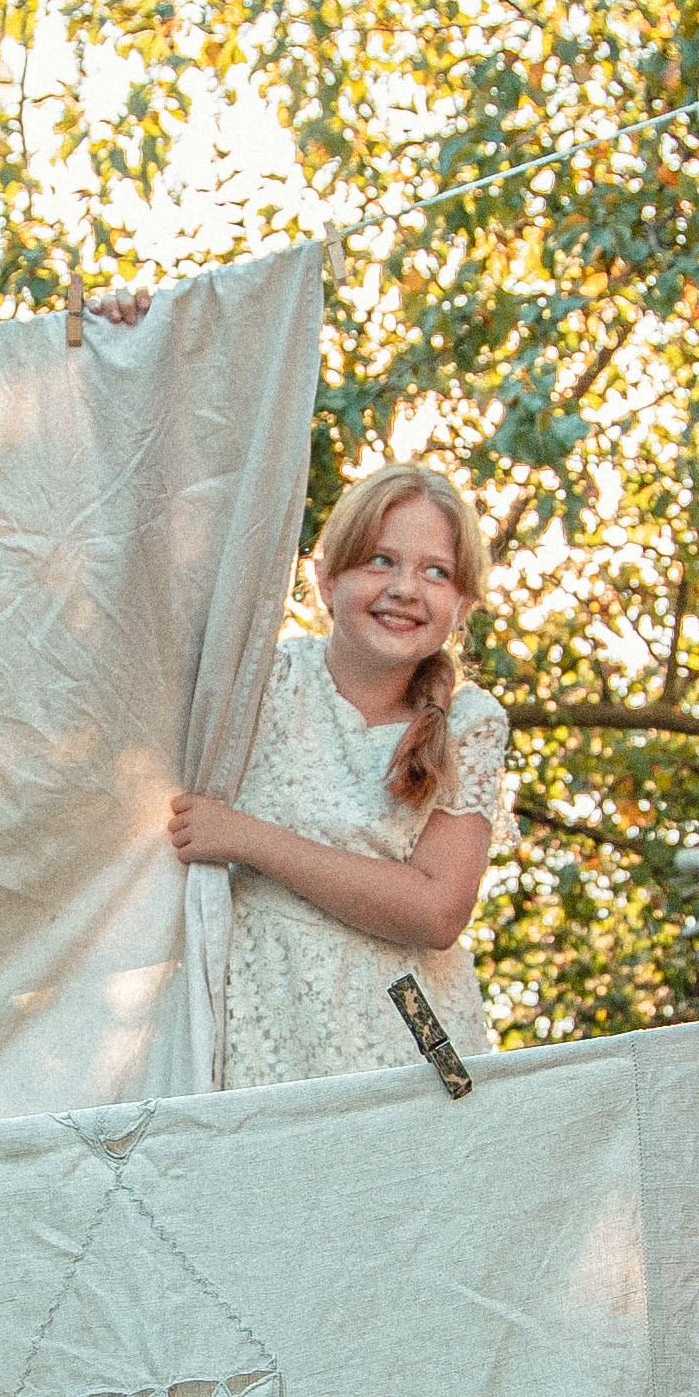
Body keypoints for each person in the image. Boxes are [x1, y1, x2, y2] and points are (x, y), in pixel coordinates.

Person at [165, 462, 512, 1088]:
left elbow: (436, 911)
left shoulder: (470, 722)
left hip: (411, 1036)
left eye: (436, 571)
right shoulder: (262, 683)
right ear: (324, 579)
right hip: (265, 1019)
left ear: (462, 606)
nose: (407, 588)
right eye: (380, 560)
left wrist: (246, 838)